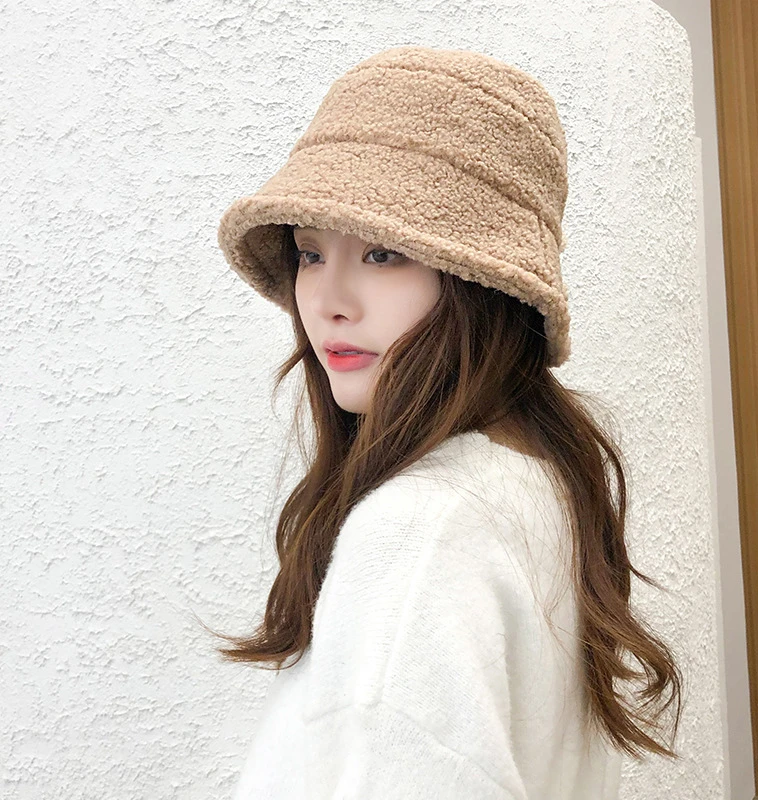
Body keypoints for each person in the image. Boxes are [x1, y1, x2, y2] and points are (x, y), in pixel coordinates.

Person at [213, 44, 682, 799]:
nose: (328, 300)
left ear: (480, 285)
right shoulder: (539, 484)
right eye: (309, 253)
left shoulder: (422, 531)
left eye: (382, 253)